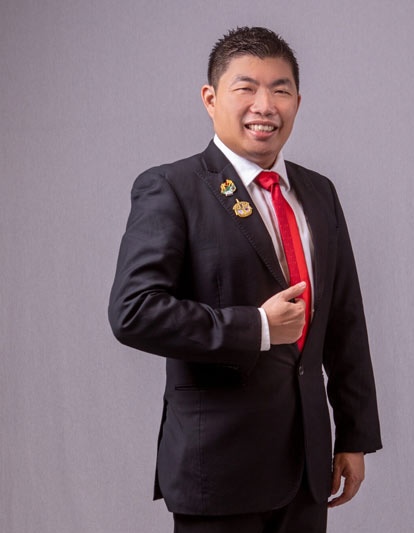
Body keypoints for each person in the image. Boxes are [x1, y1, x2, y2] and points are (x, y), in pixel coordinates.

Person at [108, 26, 381, 533]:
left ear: (298, 100)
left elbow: (345, 320)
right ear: (211, 99)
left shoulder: (319, 193)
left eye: (280, 89)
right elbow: (134, 311)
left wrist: (353, 435)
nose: (265, 105)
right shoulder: (172, 187)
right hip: (217, 466)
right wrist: (255, 327)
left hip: (306, 464)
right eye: (246, 88)